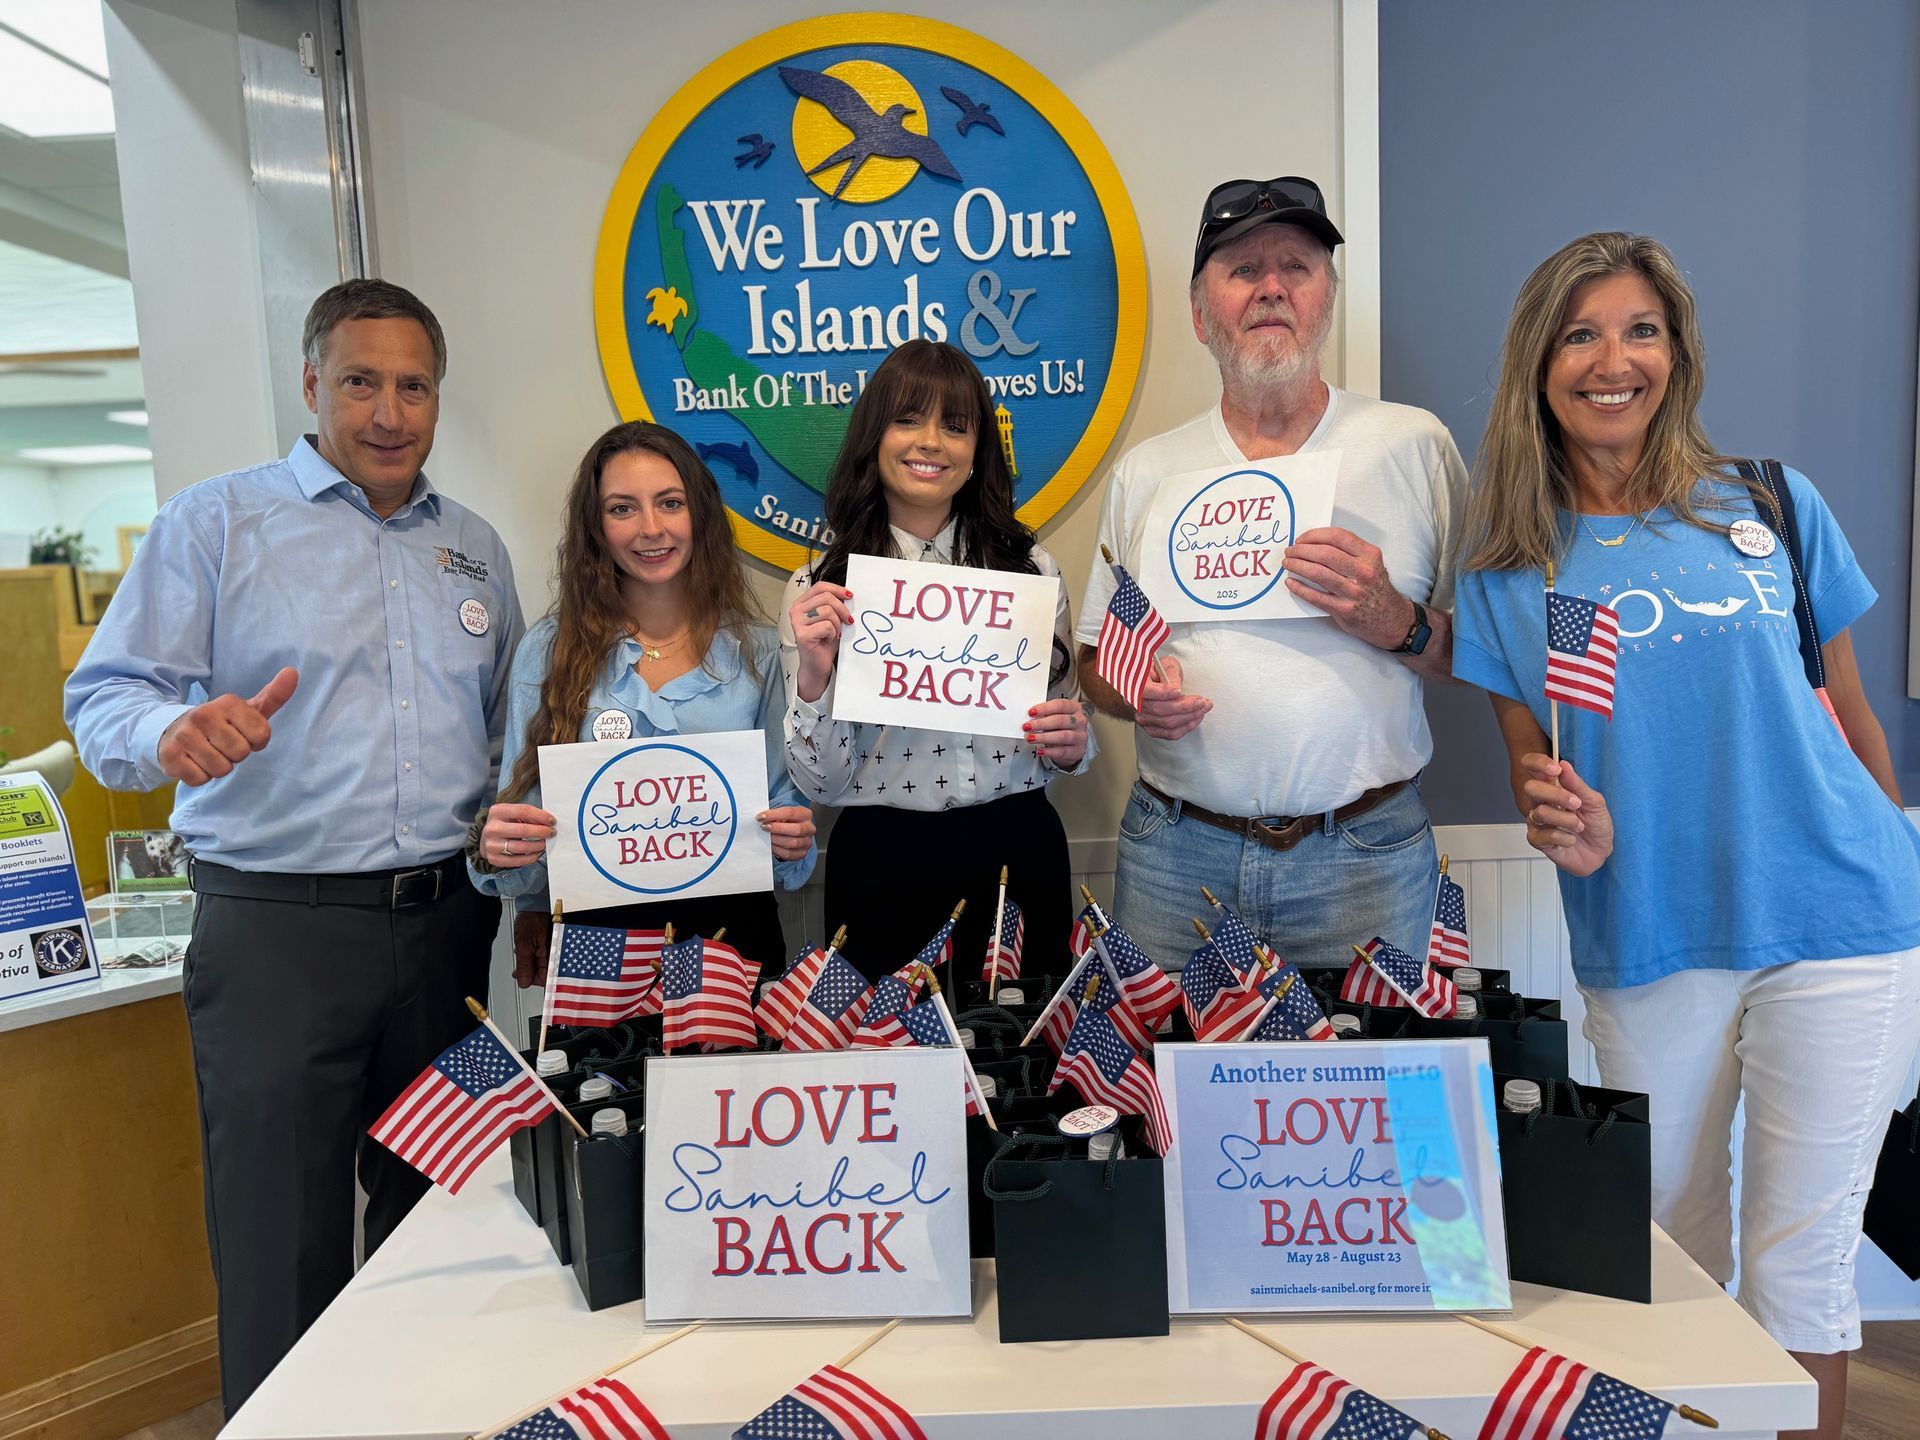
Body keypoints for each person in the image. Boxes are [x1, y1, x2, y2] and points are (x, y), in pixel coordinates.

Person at [1451, 231, 1920, 1440]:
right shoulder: (1507, 569)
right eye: (1582, 334)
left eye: (1642, 330)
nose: (1614, 360)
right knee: (1669, 1249)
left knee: (1802, 1262)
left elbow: (1855, 718)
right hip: (1649, 929)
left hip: (1843, 920)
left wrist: (1901, 877)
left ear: (1678, 352)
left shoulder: (1770, 502)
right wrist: (1556, 818)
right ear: (1539, 362)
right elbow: (1534, 768)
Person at [64, 279, 522, 1415]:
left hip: (446, 934)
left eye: (413, 386)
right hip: (279, 935)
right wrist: (170, 732)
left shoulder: (472, 549)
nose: (388, 412)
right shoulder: (216, 523)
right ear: (312, 383)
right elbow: (104, 697)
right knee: (282, 1247)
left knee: (446, 1226)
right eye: (360, 381)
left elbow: (507, 732)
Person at [1077, 176, 1466, 971]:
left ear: (1327, 298)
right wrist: (1132, 694)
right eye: (1243, 270)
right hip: (1175, 856)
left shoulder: (1414, 446)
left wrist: (1397, 621)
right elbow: (1093, 664)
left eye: (1296, 266)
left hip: (1365, 855)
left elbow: (1484, 652)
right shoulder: (1147, 472)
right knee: (1160, 1054)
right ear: (1200, 314)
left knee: (1373, 1057)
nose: (1272, 288)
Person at [781, 339, 1091, 981]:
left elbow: (1061, 730)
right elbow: (823, 786)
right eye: (907, 419)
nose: (930, 442)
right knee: (884, 1045)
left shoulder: (1031, 573)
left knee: (1022, 1040)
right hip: (880, 864)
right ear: (874, 437)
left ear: (978, 451)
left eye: (955, 425)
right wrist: (815, 676)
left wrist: (1072, 744)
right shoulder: (821, 589)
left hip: (1017, 851)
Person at [470, 421, 815, 978]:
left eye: (670, 502)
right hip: (598, 946)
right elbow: (526, 840)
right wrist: (505, 846)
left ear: (700, 514)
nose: (651, 528)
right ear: (595, 526)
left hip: (733, 943)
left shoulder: (757, 651)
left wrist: (792, 838)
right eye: (622, 508)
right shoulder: (549, 649)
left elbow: (783, 823)